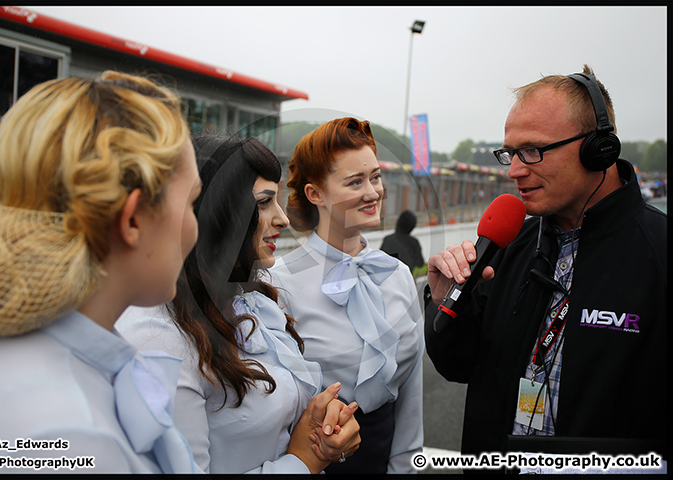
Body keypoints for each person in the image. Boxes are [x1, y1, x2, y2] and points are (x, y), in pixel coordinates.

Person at [425, 65, 668, 472]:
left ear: (599, 149)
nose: (516, 170)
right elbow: (457, 365)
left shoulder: (659, 253)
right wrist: (447, 303)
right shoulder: (507, 247)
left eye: (533, 150)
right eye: (510, 154)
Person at [0, 72, 202, 473]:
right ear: (133, 220)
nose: (195, 225)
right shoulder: (68, 436)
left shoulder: (18, 343)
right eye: (192, 201)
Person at [117, 135, 361, 474]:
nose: (282, 219)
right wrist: (305, 462)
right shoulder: (156, 337)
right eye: (263, 203)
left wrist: (323, 426)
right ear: (215, 214)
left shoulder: (251, 302)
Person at [270, 117, 425, 474]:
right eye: (355, 182)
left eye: (375, 177)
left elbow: (411, 394)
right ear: (315, 194)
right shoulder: (279, 285)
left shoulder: (398, 276)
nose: (372, 192)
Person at [380, 209, 425, 275]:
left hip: (387, 279)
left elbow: (379, 260)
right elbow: (420, 264)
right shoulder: (413, 242)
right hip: (405, 280)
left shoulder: (388, 240)